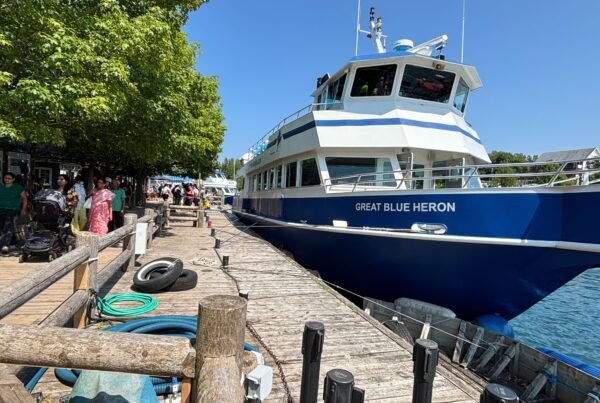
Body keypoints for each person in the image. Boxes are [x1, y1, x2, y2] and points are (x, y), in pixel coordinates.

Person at [0, 172, 28, 252]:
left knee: (8, 226)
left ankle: (4, 245)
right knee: (2, 226)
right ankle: (13, 243)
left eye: (9, 178)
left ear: (13, 179)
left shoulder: (18, 187)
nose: (7, 180)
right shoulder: (1, 187)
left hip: (13, 209)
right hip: (1, 208)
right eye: (6, 178)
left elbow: (24, 199)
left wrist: (23, 209)